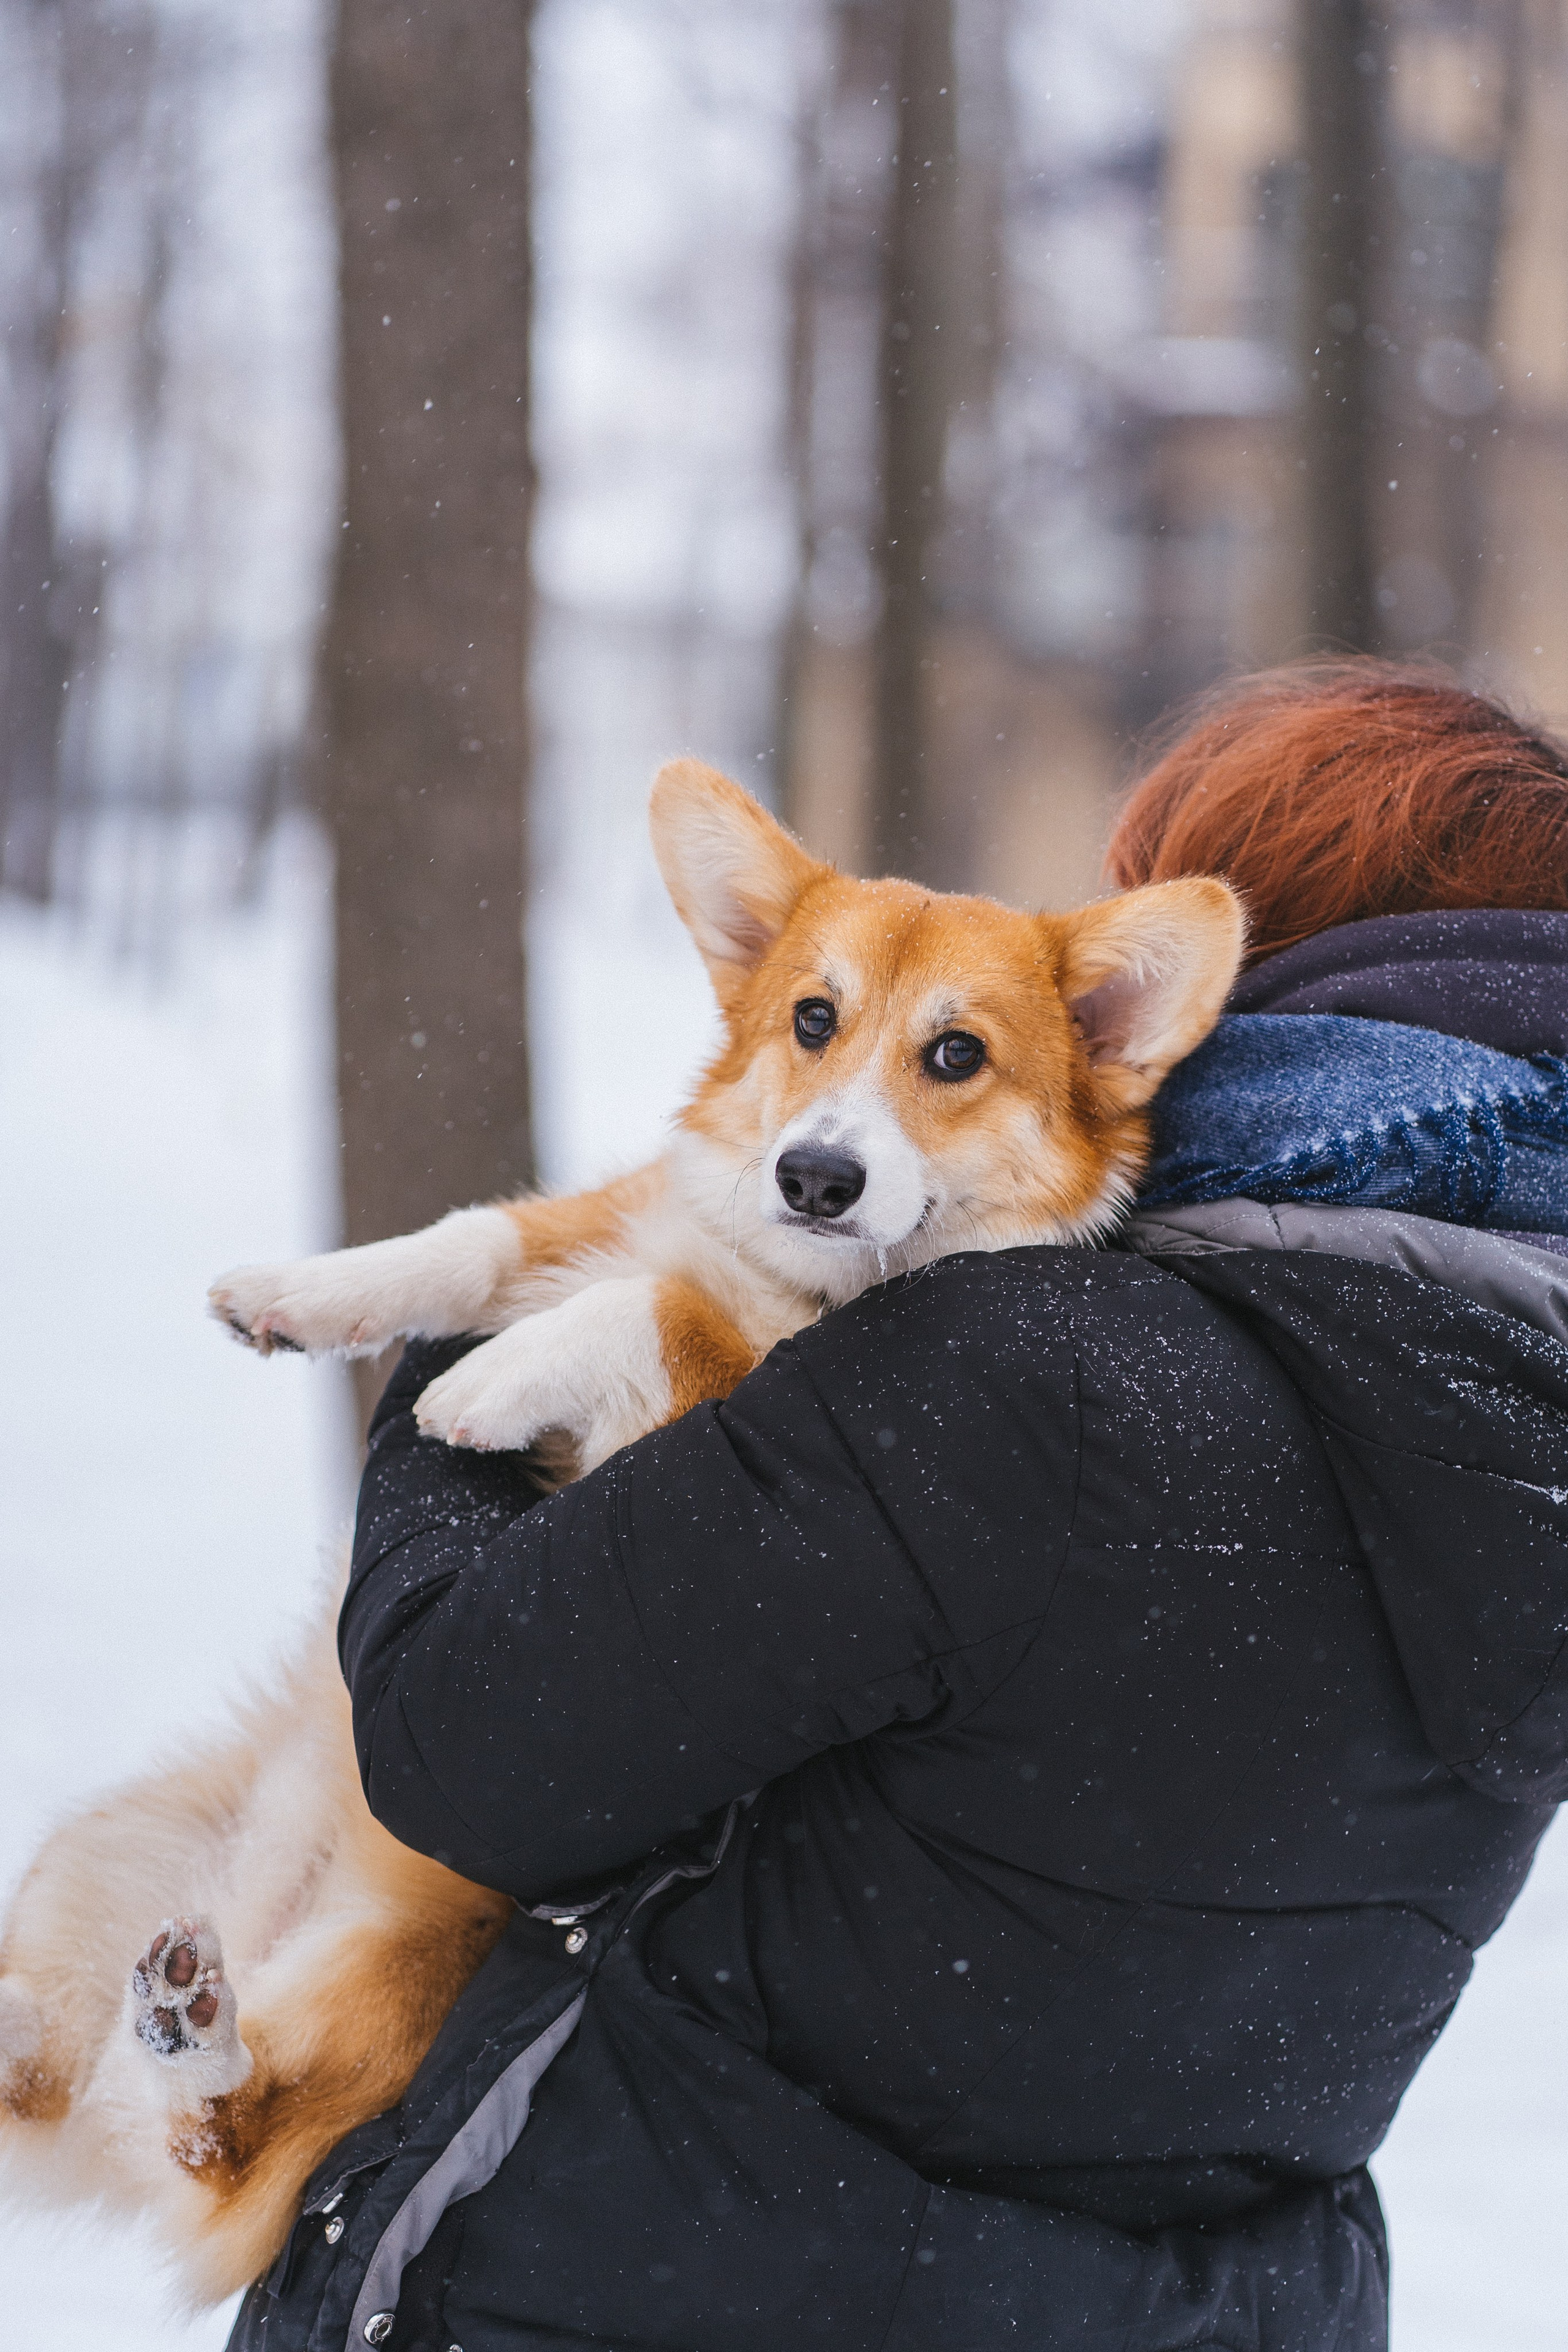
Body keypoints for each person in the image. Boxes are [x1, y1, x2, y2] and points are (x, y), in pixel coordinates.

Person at [231, 659, 1568, 2352]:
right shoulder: (1514, 1441)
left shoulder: (1035, 1375)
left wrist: (464, 1352)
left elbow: (460, 1746)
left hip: (666, 2286)